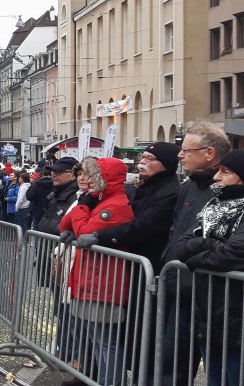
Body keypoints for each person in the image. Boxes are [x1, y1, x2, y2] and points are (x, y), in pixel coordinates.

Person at [160, 120, 231, 386]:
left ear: (209, 153)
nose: (180, 155)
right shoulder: (189, 185)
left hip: (210, 292)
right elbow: (176, 227)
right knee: (170, 357)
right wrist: (170, 256)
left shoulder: (229, 189)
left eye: (186, 150)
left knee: (219, 367)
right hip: (178, 285)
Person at [58, 157, 135, 386]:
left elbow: (83, 232)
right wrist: (87, 202)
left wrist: (83, 204)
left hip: (103, 282)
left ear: (104, 178)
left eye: (92, 175)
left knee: (106, 344)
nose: (86, 180)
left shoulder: (116, 205)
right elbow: (65, 225)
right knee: (98, 341)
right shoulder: (100, 201)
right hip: (91, 280)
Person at [171, 149, 244, 386]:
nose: (216, 177)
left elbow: (230, 255)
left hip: (236, 315)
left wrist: (195, 257)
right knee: (215, 377)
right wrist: (210, 243)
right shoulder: (213, 207)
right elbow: (181, 246)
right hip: (210, 311)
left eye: (226, 172)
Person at [80, 142, 180, 273]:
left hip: (151, 262)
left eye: (150, 159)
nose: (143, 162)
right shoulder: (142, 188)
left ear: (166, 164)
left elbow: (143, 226)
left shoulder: (171, 193)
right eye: (143, 157)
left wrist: (100, 236)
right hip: (135, 261)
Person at [36, 157, 80, 236]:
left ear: (73, 175)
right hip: (47, 244)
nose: (54, 175)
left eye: (58, 172)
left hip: (59, 246)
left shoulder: (77, 197)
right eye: (53, 172)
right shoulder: (56, 193)